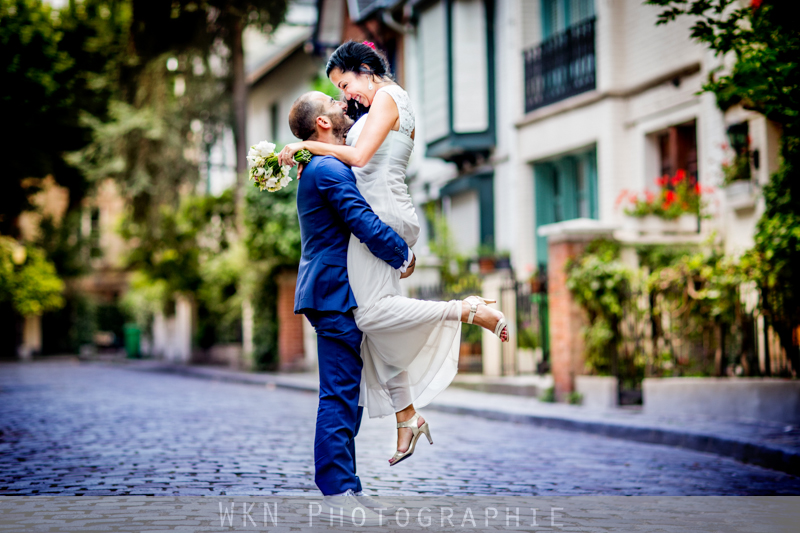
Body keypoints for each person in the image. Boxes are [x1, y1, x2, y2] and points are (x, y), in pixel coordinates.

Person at [280, 41, 509, 467]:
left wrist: (309, 147)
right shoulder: (383, 103)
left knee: (369, 316)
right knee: (375, 328)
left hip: (383, 214)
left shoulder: (386, 97)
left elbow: (361, 157)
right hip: (391, 212)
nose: (348, 96)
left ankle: (466, 310)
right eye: (339, 92)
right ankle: (406, 416)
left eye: (346, 84)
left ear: (366, 70)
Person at [289, 90, 410, 522]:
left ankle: (346, 487)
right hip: (335, 292)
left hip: (335, 291)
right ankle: (338, 493)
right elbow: (360, 219)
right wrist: (403, 254)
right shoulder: (326, 168)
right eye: (334, 105)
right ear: (321, 123)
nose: (344, 108)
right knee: (339, 394)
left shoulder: (319, 164)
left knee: (347, 394)